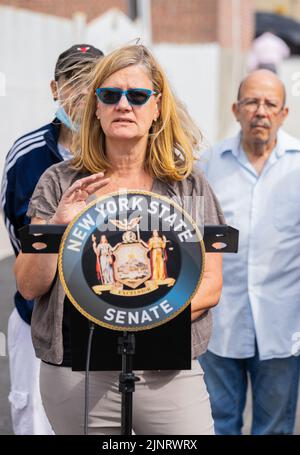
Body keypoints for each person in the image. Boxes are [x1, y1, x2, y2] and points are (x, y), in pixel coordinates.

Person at [14, 44, 224, 435]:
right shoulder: (59, 181)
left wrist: (137, 318)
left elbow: (210, 283)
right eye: (110, 95)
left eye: (138, 95)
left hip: (167, 373)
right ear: (96, 107)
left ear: (157, 106)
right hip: (79, 373)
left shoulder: (189, 185)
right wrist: (59, 226)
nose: (123, 105)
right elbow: (28, 284)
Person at [0, 44, 104, 435]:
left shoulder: (119, 153)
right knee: (34, 422)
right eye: (72, 80)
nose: (81, 91)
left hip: (104, 322)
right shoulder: (26, 156)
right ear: (53, 88)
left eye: (92, 81)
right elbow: (19, 235)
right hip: (36, 320)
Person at [198, 69, 300, 435]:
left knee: (274, 428)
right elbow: (191, 240)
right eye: (251, 102)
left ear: (284, 113)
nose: (261, 111)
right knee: (217, 424)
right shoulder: (207, 167)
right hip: (220, 324)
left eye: (270, 103)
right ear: (235, 109)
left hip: (283, 327)